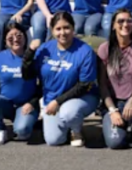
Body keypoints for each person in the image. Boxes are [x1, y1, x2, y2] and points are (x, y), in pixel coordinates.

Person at [23, 12, 99, 147]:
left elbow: (83, 85)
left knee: (69, 112)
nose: (62, 32)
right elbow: (28, 75)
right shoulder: (45, 48)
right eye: (58, 29)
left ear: (73, 28)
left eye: (66, 27)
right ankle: (67, 125)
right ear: (52, 30)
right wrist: (29, 53)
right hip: (51, 99)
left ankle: (76, 130)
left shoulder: (85, 51)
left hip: (82, 97)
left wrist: (58, 102)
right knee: (54, 140)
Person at [98, 9, 132, 149]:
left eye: (129, 21)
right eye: (120, 21)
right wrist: (112, 110)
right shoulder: (105, 49)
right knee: (115, 142)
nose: (125, 24)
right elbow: (102, 85)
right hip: (114, 102)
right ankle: (120, 127)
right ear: (113, 25)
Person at [0, 22, 39, 146]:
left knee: (22, 132)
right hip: (6, 103)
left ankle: (25, 122)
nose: (15, 39)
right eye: (10, 37)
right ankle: (0, 130)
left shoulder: (34, 57)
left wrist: (32, 102)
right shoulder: (0, 57)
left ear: (25, 37)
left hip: (26, 104)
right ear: (5, 40)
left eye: (19, 35)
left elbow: (44, 85)